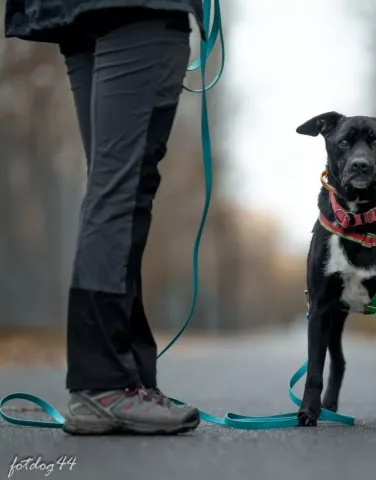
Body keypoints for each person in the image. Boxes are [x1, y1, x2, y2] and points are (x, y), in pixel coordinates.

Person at [4, 0, 207, 435]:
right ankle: (104, 384)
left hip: (71, 9)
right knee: (122, 186)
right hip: (137, 7)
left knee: (113, 182)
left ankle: (122, 380)